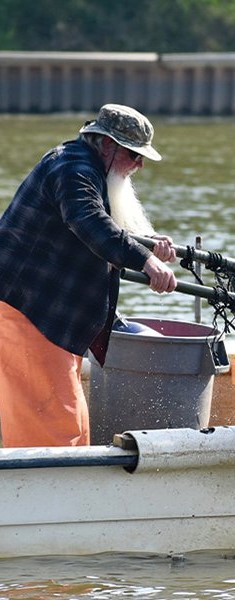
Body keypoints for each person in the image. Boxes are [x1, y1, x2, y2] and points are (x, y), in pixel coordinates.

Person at [0, 103, 178, 447]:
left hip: (50, 323)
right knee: (52, 432)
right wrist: (147, 262)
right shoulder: (72, 167)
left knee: (73, 427)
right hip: (27, 314)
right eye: (133, 154)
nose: (139, 164)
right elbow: (89, 221)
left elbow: (105, 224)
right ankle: (42, 498)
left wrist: (149, 244)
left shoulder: (87, 166)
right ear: (106, 144)